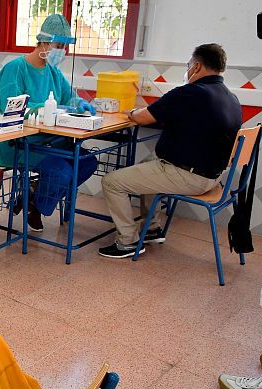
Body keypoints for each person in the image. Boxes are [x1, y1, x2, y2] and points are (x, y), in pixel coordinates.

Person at [98, 43, 242, 258]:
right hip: (214, 176)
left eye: (188, 65)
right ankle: (152, 228)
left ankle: (127, 241)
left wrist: (132, 111)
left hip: (187, 176)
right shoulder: (231, 98)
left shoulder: (190, 93)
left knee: (111, 182)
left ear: (196, 66)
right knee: (149, 160)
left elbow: (142, 117)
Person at [0, 14, 98, 232]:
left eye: (65, 47)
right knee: (61, 171)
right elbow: (9, 108)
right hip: (18, 143)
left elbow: (68, 98)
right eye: (59, 45)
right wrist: (46, 107)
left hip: (49, 141)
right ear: (43, 41)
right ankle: (37, 205)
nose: (62, 52)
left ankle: (33, 198)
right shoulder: (16, 69)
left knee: (87, 162)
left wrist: (79, 104)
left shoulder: (53, 71)